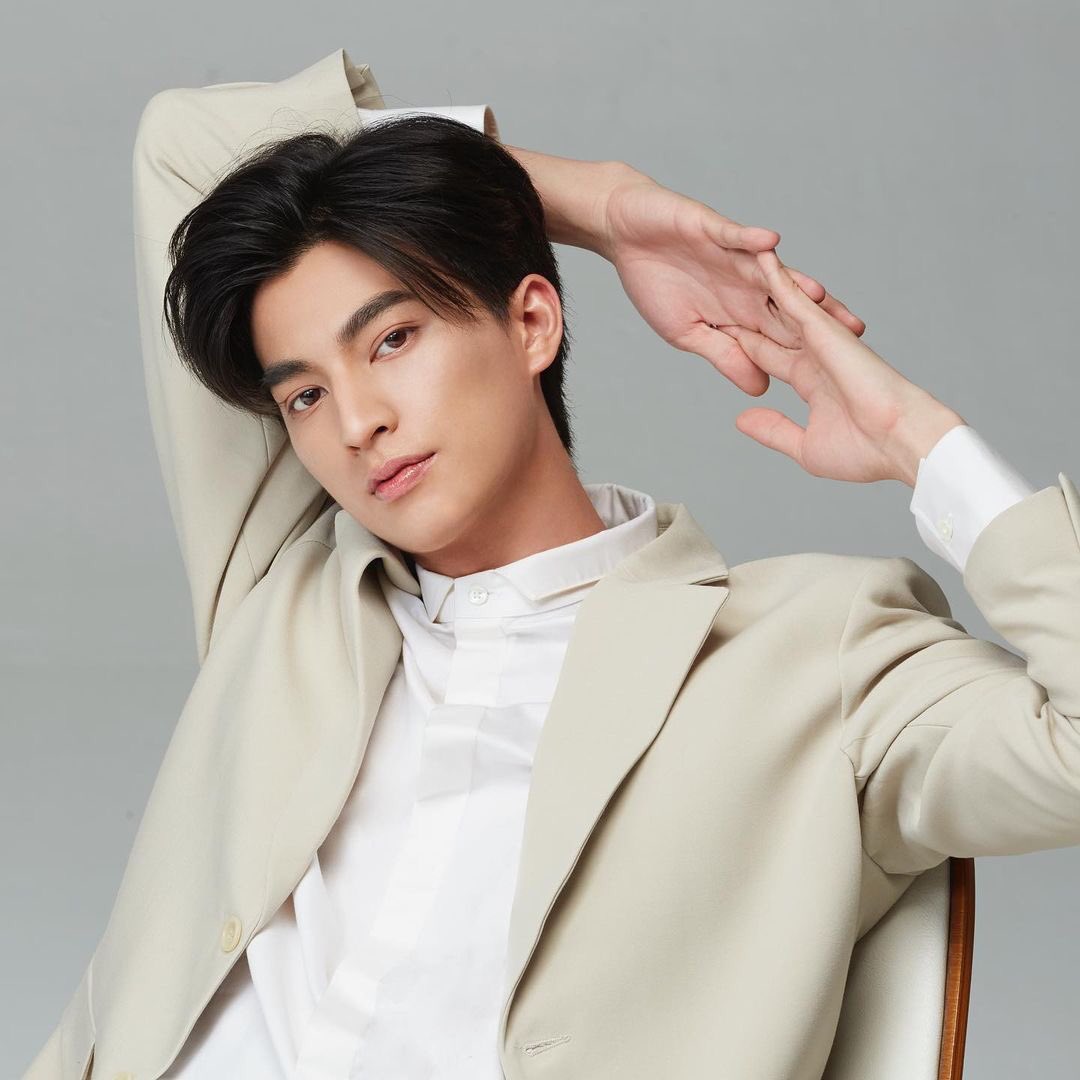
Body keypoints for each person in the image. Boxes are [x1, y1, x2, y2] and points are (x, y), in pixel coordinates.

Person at [24, 47, 1078, 1080]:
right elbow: (190, 146)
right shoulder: (286, 578)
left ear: (531, 321)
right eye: (304, 394)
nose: (355, 422)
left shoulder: (806, 656)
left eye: (392, 340)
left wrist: (916, 440)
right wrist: (599, 208)